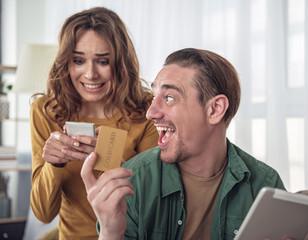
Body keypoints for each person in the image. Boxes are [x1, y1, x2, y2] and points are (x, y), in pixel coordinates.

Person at [81, 48, 286, 239]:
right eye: (154, 96)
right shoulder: (134, 182)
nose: (151, 113)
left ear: (215, 109)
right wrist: (110, 232)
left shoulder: (264, 185)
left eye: (169, 97)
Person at [30, 7, 158, 240]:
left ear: (120, 63)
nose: (90, 74)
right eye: (78, 60)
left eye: (103, 61)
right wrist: (53, 164)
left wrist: (115, 166)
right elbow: (43, 213)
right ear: (66, 63)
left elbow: (154, 206)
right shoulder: (47, 111)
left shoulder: (146, 109)